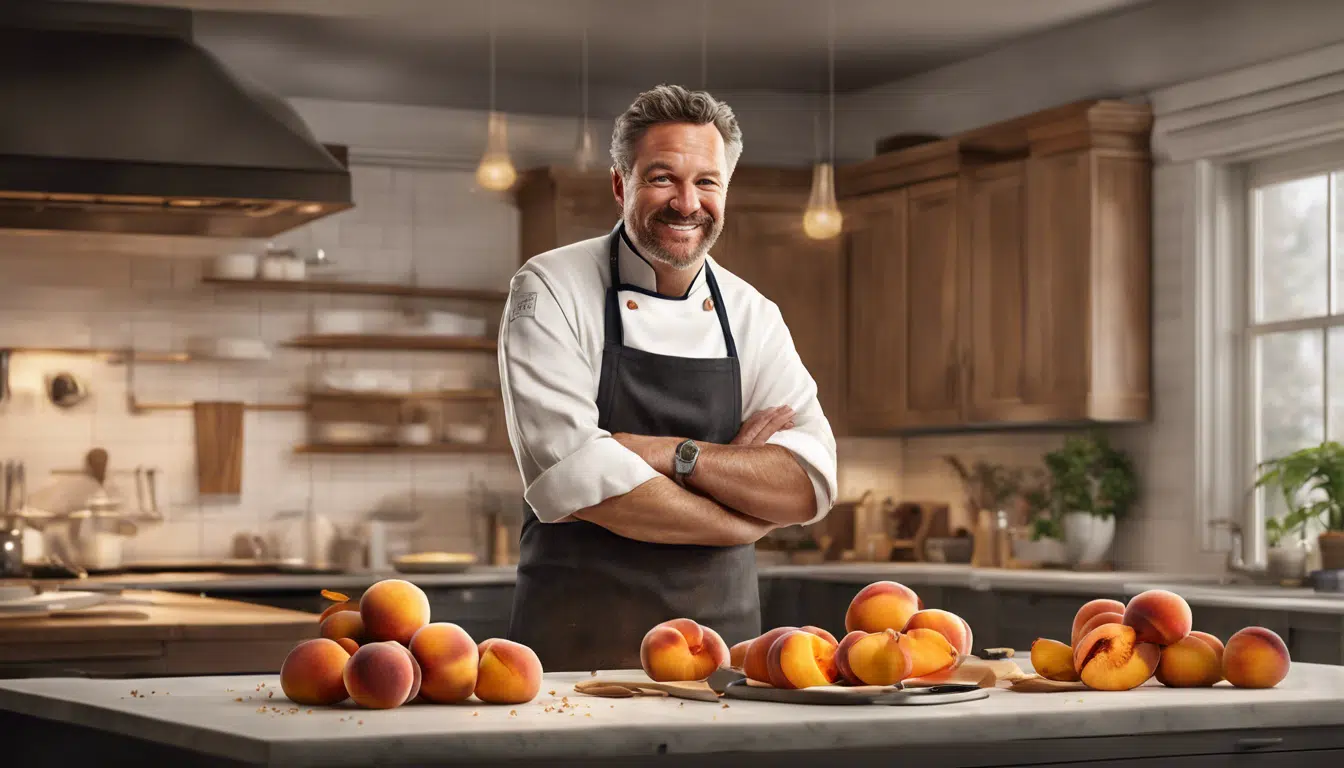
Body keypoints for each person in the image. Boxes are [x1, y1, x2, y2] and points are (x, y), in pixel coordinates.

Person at [498, 84, 838, 672]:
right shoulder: (550, 287)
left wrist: (669, 455)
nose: (687, 202)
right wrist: (742, 519)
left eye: (707, 182)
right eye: (662, 178)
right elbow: (576, 473)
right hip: (580, 654)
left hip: (723, 659)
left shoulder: (752, 312)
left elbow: (807, 484)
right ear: (619, 184)